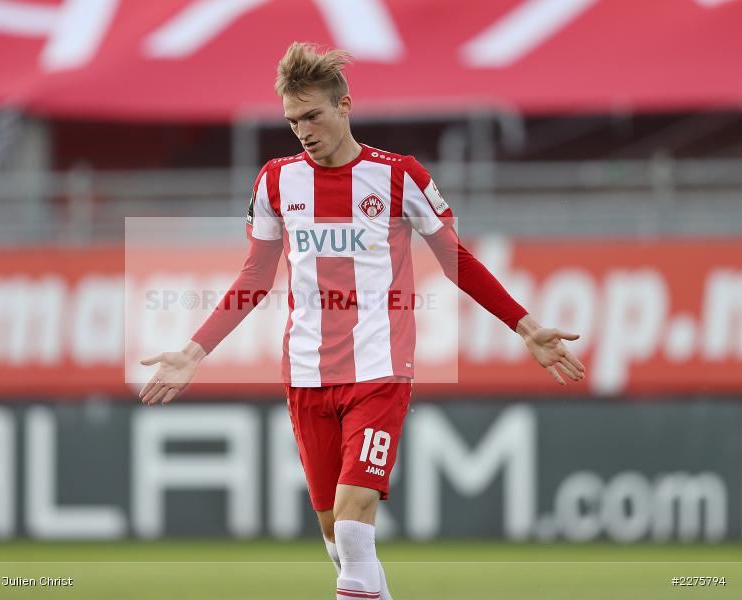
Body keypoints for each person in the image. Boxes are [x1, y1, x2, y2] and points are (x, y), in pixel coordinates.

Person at [139, 41, 585, 600]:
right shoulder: (275, 182)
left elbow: (456, 260)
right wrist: (194, 351)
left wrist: (524, 326)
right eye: (292, 119)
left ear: (345, 105)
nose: (302, 129)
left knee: (352, 520)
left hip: (379, 368)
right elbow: (255, 275)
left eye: (313, 115)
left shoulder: (399, 177)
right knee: (337, 537)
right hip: (305, 373)